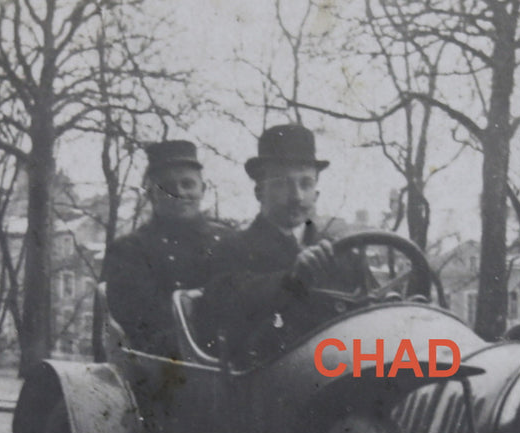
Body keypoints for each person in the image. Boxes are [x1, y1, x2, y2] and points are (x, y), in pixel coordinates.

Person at [198, 123, 361, 364]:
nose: (296, 196)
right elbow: (226, 308)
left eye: (305, 184)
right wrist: (290, 279)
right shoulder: (232, 249)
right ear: (259, 192)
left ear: (316, 193)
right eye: (282, 183)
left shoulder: (340, 252)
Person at [101, 140, 230, 357]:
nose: (179, 193)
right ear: (151, 194)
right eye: (168, 187)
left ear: (203, 189)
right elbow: (141, 320)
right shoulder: (129, 250)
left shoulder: (228, 241)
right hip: (164, 367)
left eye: (188, 184)